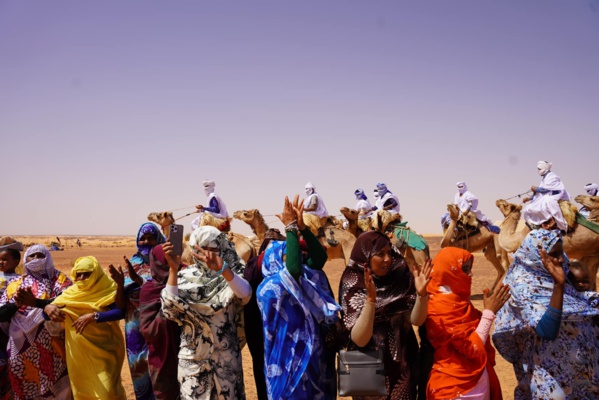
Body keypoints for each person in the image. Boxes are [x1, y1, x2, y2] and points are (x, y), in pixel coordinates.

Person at [492, 229, 599, 399]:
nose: (561, 259)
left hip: (581, 376)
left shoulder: (559, 274)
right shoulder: (522, 286)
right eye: (554, 254)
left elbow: (580, 303)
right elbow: (546, 330)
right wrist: (558, 285)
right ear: (536, 253)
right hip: (551, 378)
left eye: (561, 252)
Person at [258, 195, 340, 399]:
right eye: (291, 255)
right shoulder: (270, 287)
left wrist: (302, 228)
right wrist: (290, 227)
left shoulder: (307, 278)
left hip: (316, 363)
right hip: (288, 365)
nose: (300, 259)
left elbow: (319, 258)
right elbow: (292, 270)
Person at [339, 230, 432, 399]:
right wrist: (370, 301)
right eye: (380, 254)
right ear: (366, 256)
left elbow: (416, 320)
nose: (388, 259)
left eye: (389, 253)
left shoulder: (400, 277)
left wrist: (421, 295)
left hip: (403, 369)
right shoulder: (353, 282)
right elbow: (359, 339)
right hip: (368, 373)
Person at [161, 225, 252, 400]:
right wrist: (173, 269)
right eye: (203, 249)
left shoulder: (231, 276)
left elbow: (245, 294)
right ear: (194, 249)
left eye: (214, 249)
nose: (208, 255)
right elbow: (169, 309)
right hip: (194, 363)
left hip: (226, 363)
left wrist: (224, 270)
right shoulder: (183, 277)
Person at [425, 247, 509, 399]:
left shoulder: (460, 302)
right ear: (448, 271)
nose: (470, 274)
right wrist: (489, 314)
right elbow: (471, 348)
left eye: (470, 269)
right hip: (454, 385)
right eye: (464, 269)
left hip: (477, 380)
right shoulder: (440, 306)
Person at [44, 256, 127, 399]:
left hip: (105, 350)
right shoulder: (71, 293)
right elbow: (48, 314)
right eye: (79, 274)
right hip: (79, 355)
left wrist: (94, 316)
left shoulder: (106, 288)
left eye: (87, 274)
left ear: (96, 273)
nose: (82, 278)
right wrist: (47, 307)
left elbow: (121, 311)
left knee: (107, 391)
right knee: (84, 391)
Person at [0, 244, 72, 400]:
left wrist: (36, 303)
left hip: (54, 350)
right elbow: (1, 313)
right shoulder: (16, 284)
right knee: (24, 391)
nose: (36, 259)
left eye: (40, 255)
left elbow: (69, 303)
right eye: (32, 256)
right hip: (20, 353)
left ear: (48, 258)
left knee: (57, 390)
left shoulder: (60, 280)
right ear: (25, 259)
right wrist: (17, 305)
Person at [121, 222, 166, 400]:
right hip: (135, 330)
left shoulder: (165, 264)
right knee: (140, 374)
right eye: (143, 238)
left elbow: (169, 292)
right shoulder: (131, 265)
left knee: (163, 375)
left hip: (160, 326)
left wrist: (138, 280)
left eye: (151, 238)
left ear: (158, 239)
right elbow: (121, 303)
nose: (146, 242)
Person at [241, 228, 286, 400]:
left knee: (260, 365)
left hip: (254, 325)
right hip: (275, 326)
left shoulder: (252, 264)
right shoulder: (281, 268)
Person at [139, 242, 185, 399]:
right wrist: (169, 309)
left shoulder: (187, 283)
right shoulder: (149, 290)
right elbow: (147, 329)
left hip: (188, 357)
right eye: (166, 261)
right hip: (163, 359)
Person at [0, 240, 23, 400]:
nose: (0, 262)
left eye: (4, 259)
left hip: (10, 327)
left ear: (16, 261)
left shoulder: (19, 280)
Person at [522, 161, 571, 231]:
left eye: (539, 169)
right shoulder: (545, 178)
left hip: (554, 196)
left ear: (545, 169)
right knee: (528, 209)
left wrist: (536, 188)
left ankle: (561, 226)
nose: (538, 171)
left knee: (540, 207)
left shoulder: (552, 177)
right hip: (547, 196)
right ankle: (539, 226)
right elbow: (541, 194)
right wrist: (529, 198)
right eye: (538, 169)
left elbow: (545, 190)